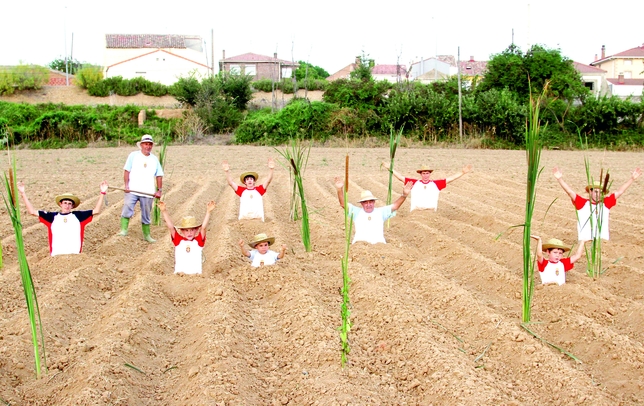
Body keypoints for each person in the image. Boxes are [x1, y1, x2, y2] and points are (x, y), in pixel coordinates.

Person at [17, 180, 109, 256]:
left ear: (72, 206)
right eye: (65, 203)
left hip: (74, 256)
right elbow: (32, 212)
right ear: (60, 204)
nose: (67, 205)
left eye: (69, 204)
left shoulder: (78, 216)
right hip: (56, 257)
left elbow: (96, 210)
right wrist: (22, 193)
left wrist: (102, 192)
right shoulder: (52, 217)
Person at [553, 166, 641, 241]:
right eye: (595, 191)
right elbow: (569, 191)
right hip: (585, 241)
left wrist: (632, 179)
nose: (597, 194)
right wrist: (560, 179)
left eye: (600, 192)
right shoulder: (582, 203)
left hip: (602, 241)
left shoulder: (606, 203)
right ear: (590, 192)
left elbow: (619, 192)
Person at [334, 177, 413, 244]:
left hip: (379, 246)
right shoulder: (356, 212)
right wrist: (339, 189)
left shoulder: (381, 212)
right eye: (365, 202)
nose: (368, 204)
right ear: (361, 204)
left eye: (371, 201)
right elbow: (343, 204)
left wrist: (404, 195)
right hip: (360, 245)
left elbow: (395, 206)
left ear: (374, 202)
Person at [119, 134, 164, 242]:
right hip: (133, 189)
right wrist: (126, 185)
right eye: (145, 144)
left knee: (146, 213)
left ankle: (147, 235)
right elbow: (127, 171)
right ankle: (123, 230)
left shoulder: (154, 159)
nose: (147, 146)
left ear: (151, 146)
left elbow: (159, 175)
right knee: (127, 207)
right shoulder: (133, 156)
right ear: (141, 145)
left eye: (149, 144)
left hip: (148, 192)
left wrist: (159, 190)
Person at [382, 162, 472, 211]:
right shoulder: (414, 183)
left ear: (430, 174)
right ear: (421, 174)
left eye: (427, 173)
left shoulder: (435, 184)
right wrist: (390, 168)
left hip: (431, 212)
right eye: (424, 173)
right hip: (416, 212)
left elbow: (450, 179)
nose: (425, 175)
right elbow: (400, 177)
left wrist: (462, 173)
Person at [158, 200, 215, 275]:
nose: (189, 233)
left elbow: (203, 227)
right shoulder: (178, 241)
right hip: (180, 276)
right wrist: (164, 211)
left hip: (195, 277)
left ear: (196, 230)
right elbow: (171, 227)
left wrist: (208, 212)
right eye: (186, 230)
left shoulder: (198, 241)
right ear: (182, 231)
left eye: (192, 230)